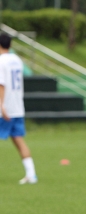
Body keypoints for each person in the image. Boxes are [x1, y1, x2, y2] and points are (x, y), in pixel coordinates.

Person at [0, 33, 37, 184]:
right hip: (17, 107)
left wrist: (2, 106)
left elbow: (2, 85)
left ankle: (31, 174)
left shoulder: (1, 61)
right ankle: (32, 174)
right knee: (18, 140)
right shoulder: (17, 60)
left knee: (18, 140)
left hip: (5, 108)